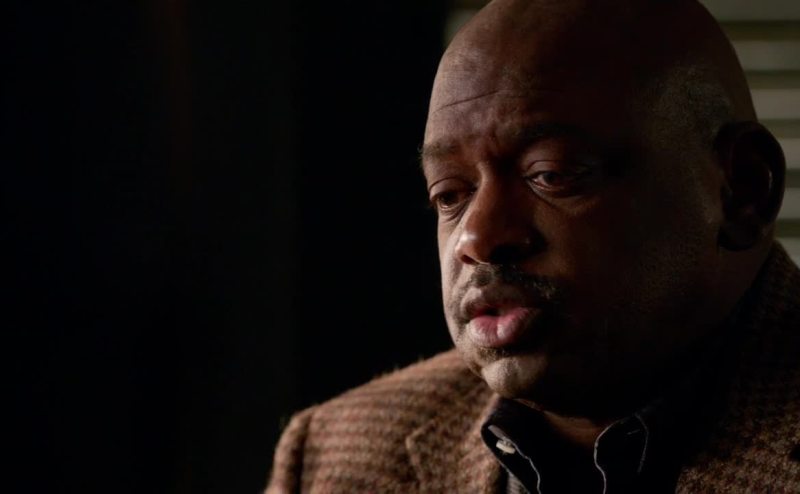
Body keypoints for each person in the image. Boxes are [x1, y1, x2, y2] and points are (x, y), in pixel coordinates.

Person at [266, 0, 800, 491]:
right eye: (449, 195)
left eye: (551, 174)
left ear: (742, 192)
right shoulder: (335, 454)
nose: (477, 239)